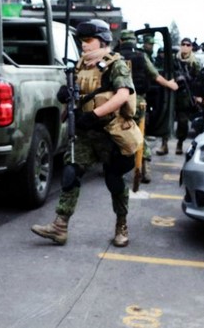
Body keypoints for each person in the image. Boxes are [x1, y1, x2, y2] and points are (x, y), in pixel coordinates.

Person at [31, 19, 137, 248]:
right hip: (85, 133)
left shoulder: (115, 64)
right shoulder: (80, 65)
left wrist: (95, 114)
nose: (85, 45)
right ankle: (60, 227)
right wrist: (64, 98)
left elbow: (122, 95)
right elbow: (75, 97)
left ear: (103, 41)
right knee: (70, 173)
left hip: (110, 132)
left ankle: (121, 225)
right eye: (82, 41)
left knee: (114, 180)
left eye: (89, 41)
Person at [115, 30, 178, 178]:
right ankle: (144, 163)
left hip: (115, 101)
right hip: (137, 101)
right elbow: (155, 76)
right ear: (134, 41)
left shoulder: (114, 56)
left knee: (114, 130)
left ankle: (113, 164)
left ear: (121, 41)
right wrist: (169, 84)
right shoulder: (141, 56)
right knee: (137, 131)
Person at [168, 37, 201, 154]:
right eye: (183, 44)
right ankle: (164, 144)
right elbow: (168, 74)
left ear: (191, 47)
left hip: (186, 96)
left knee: (183, 122)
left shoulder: (195, 63)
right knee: (167, 119)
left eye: (188, 45)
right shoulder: (174, 60)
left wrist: (197, 95)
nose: (185, 47)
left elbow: (199, 81)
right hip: (172, 93)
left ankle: (180, 143)